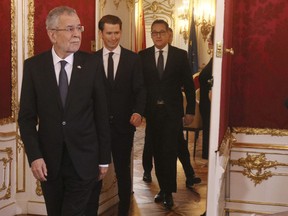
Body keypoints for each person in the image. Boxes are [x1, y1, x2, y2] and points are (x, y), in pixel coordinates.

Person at [18, 6, 111, 216]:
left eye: (79, 27)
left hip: (85, 160)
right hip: (49, 163)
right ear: (52, 34)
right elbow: (26, 118)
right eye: (70, 29)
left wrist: (104, 158)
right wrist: (35, 156)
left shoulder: (92, 64)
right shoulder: (34, 67)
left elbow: (101, 114)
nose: (77, 34)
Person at [86, 15, 146, 216]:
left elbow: (140, 90)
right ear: (101, 34)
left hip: (123, 127)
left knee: (122, 170)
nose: (113, 37)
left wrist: (138, 112)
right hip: (96, 128)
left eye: (117, 33)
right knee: (95, 173)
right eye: (109, 33)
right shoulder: (90, 60)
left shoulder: (133, 59)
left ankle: (123, 211)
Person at [139, 19, 196, 209]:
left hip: (172, 114)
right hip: (153, 114)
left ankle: (169, 192)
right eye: (154, 33)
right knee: (156, 152)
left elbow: (189, 85)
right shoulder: (143, 56)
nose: (158, 36)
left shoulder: (180, 56)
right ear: (151, 35)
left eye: (161, 32)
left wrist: (190, 112)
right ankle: (163, 188)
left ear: (169, 34)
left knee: (169, 152)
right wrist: (139, 111)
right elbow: (140, 88)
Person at [199, 28, 214, 160]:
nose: (208, 41)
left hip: (210, 103)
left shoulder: (217, 61)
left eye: (210, 39)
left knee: (210, 131)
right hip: (205, 104)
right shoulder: (213, 59)